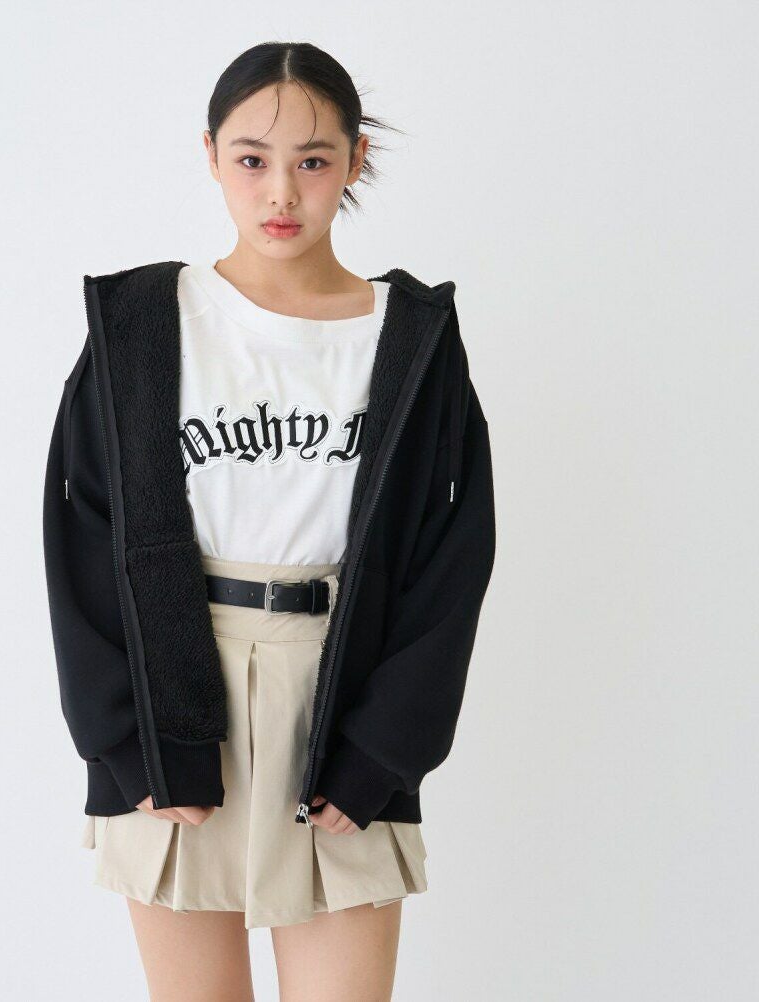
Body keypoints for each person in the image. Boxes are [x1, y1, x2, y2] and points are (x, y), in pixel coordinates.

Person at [43, 40, 496, 1002]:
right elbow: (80, 532)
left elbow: (452, 559)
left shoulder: (409, 337)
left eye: (313, 160)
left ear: (356, 159)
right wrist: (124, 741)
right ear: (210, 154)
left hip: (343, 702)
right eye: (252, 159)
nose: (280, 191)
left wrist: (382, 753)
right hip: (173, 706)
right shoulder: (143, 321)